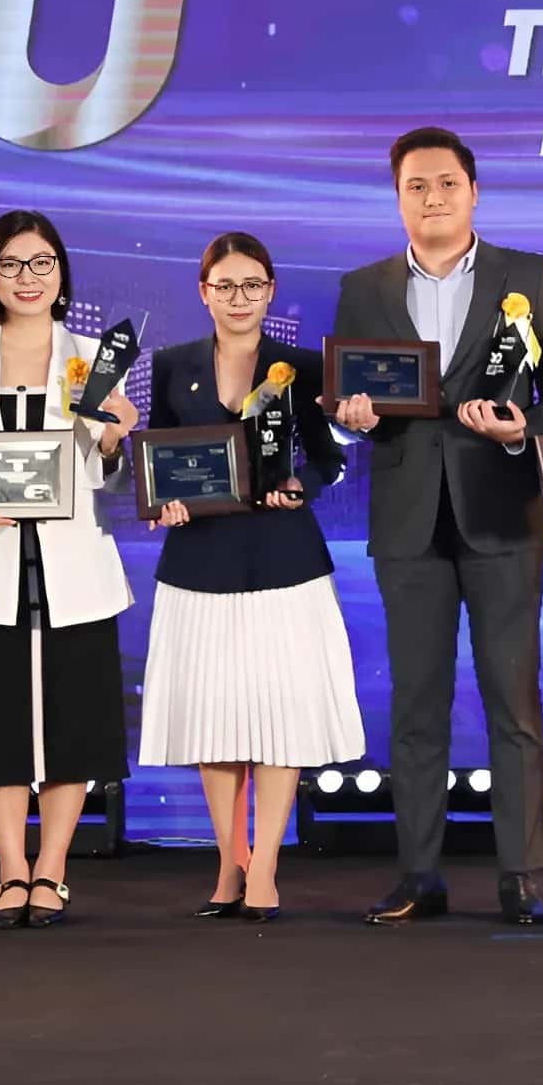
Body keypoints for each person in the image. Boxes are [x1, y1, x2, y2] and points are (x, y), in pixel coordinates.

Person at [329, 127, 543, 927]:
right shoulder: (362, 287)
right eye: (416, 186)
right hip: (408, 520)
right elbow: (343, 400)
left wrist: (524, 429)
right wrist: (349, 421)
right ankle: (418, 873)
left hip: (503, 511)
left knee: (514, 700)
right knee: (416, 704)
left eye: (446, 184)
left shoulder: (526, 276)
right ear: (397, 197)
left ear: (474, 192)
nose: (432, 198)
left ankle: (520, 875)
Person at [0, 211, 139, 928]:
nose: (28, 278)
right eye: (11, 264)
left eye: (42, 263)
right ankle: (11, 869)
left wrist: (114, 440)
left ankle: (53, 870)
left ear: (61, 273)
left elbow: (105, 473)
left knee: (74, 722)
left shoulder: (94, 357)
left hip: (74, 564)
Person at [137, 232, 364, 922]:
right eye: (226, 286)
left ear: (271, 291)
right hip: (198, 561)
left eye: (253, 285)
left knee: (280, 715)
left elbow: (328, 458)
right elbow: (159, 457)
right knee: (216, 718)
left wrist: (301, 484)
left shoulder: (302, 366)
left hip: (284, 559)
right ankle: (228, 863)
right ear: (203, 292)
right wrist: (165, 502)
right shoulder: (173, 365)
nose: (240, 298)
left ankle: (264, 865)